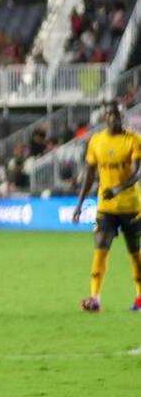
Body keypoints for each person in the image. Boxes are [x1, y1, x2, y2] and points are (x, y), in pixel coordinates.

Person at [72, 99, 141, 312]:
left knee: (134, 252)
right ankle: (95, 298)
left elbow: (137, 172)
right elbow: (90, 174)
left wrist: (117, 189)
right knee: (100, 246)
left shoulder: (133, 140)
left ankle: (140, 297)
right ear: (105, 117)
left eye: (119, 115)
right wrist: (79, 204)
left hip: (130, 206)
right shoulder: (96, 141)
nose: (116, 118)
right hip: (106, 208)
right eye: (112, 114)